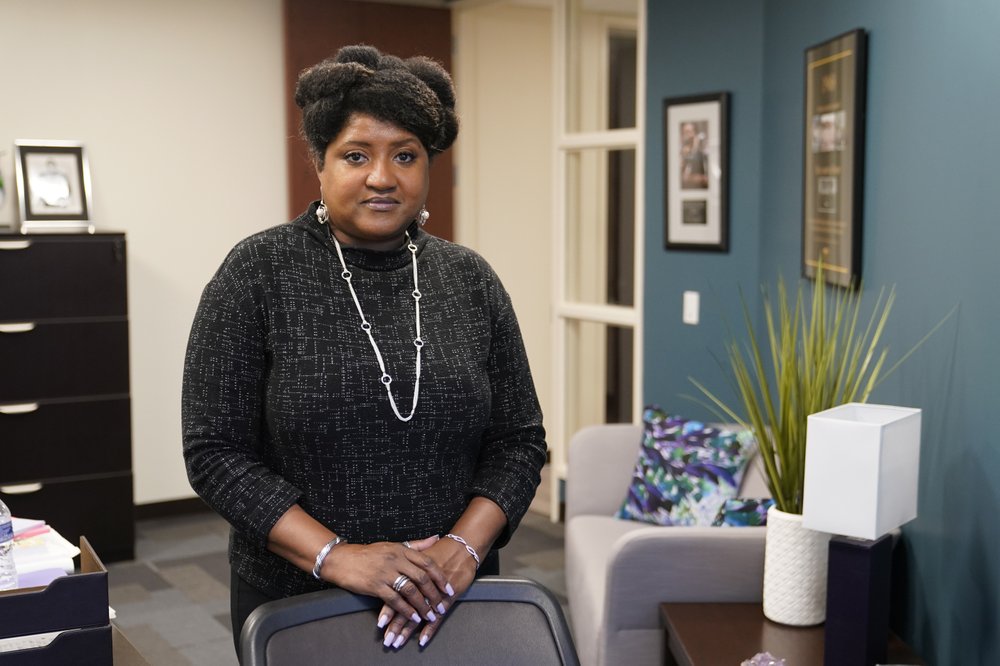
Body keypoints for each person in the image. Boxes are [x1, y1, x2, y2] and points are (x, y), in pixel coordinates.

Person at [182, 44, 546, 658]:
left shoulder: (469, 278)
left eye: (405, 156)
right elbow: (215, 453)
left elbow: (520, 440)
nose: (383, 177)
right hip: (299, 600)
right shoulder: (258, 271)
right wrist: (338, 557)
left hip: (453, 595)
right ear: (319, 166)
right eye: (357, 155)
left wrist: (463, 550)